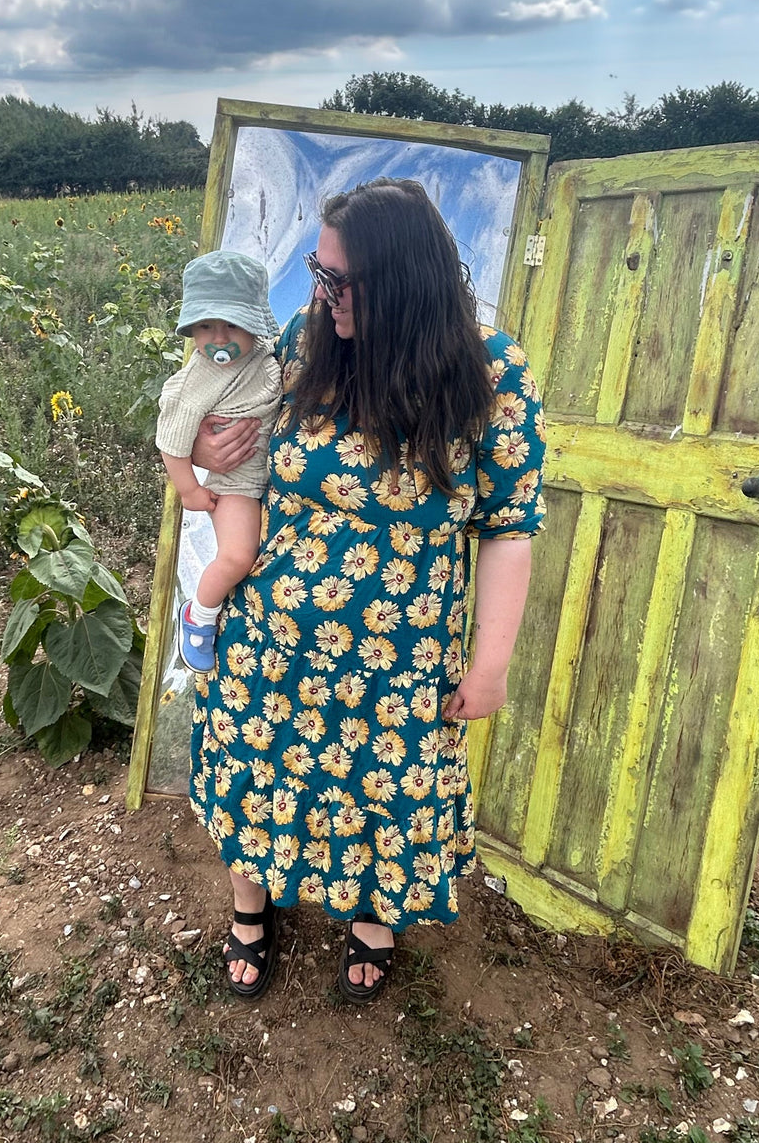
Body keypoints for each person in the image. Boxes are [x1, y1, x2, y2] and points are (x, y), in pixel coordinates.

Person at [188, 178, 546, 1003]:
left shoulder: (493, 372)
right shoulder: (312, 341)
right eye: (318, 270)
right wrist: (208, 438)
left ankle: (370, 918)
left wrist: (490, 666)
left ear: (401, 284)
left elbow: (509, 530)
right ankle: (251, 913)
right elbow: (220, 419)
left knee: (380, 793)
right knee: (255, 770)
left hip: (398, 654)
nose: (321, 294)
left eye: (338, 281)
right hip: (271, 634)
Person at [156, 251, 281, 672]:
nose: (219, 337)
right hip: (238, 480)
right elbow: (171, 438)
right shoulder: (197, 379)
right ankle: (199, 615)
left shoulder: (265, 350)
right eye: (206, 326)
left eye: (232, 324)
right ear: (191, 328)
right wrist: (189, 488)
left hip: (276, 473)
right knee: (237, 556)